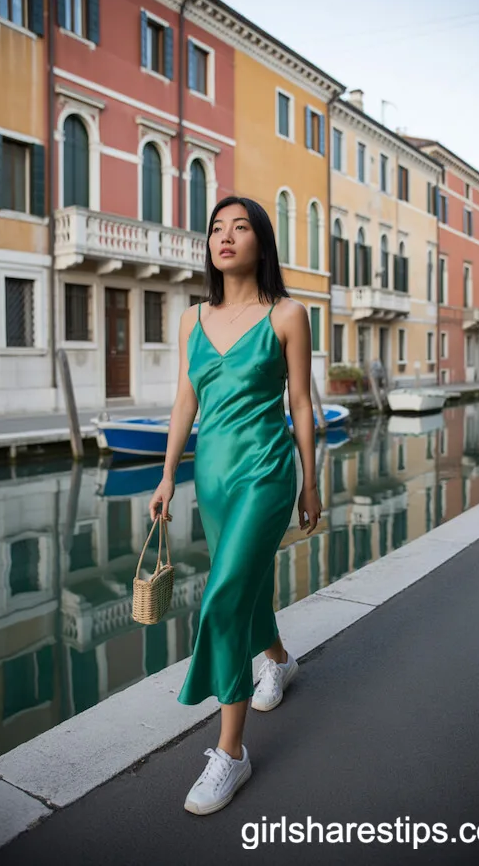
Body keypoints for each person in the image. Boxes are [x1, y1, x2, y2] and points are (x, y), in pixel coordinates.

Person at [148, 196, 322, 815]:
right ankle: (276, 657)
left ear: (260, 242)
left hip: (267, 475)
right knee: (243, 587)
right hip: (213, 480)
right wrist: (168, 475)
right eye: (216, 227)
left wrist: (310, 480)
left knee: (222, 596)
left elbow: (301, 403)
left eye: (239, 226)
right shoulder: (192, 318)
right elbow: (183, 405)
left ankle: (231, 752)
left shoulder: (288, 315)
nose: (225, 236)